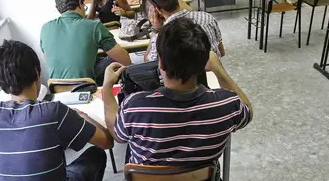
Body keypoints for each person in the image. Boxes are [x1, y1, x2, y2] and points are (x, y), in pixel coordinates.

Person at [102, 18, 253, 168]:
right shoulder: (227, 105)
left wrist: (107, 88)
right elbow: (248, 111)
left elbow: (117, 135)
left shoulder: (134, 107)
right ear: (204, 60)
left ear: (160, 62)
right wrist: (219, 69)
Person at [0, 40, 114, 181]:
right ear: (37, 73)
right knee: (97, 154)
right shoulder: (54, 112)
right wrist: (82, 116)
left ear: (0, 81)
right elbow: (107, 142)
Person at [40, 0, 131, 85]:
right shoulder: (93, 26)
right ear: (80, 3)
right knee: (114, 61)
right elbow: (126, 60)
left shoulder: (45, 29)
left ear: (58, 8)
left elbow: (47, 58)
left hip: (57, 89)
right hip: (86, 88)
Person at [143, 0, 225, 62]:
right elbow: (221, 52)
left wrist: (155, 30)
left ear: (157, 9)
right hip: (213, 72)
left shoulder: (161, 37)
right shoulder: (207, 18)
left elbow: (148, 61)